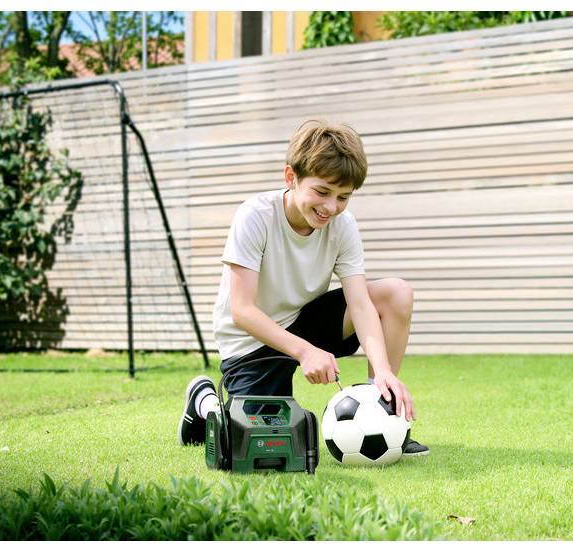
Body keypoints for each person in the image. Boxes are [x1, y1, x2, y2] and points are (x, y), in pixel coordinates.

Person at [178, 119, 428, 456]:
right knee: (258, 443)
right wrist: (304, 351)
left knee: (396, 293)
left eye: (343, 197)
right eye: (322, 192)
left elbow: (361, 303)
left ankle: (382, 414)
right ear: (291, 177)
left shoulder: (343, 225)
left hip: (305, 320)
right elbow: (242, 310)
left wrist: (382, 370)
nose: (331, 207)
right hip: (252, 342)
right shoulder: (255, 216)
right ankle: (204, 401)